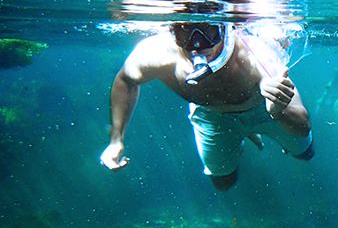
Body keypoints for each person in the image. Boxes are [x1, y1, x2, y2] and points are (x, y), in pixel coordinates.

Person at [100, 21, 314, 191]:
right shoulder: (157, 54)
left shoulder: (255, 55)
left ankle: (250, 131)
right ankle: (241, 136)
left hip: (264, 108)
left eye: (209, 31)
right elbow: (125, 80)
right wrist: (115, 139)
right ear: (172, 32)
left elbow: (303, 125)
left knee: (305, 154)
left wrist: (277, 110)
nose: (198, 45)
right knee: (223, 183)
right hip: (211, 115)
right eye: (185, 33)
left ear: (227, 28)